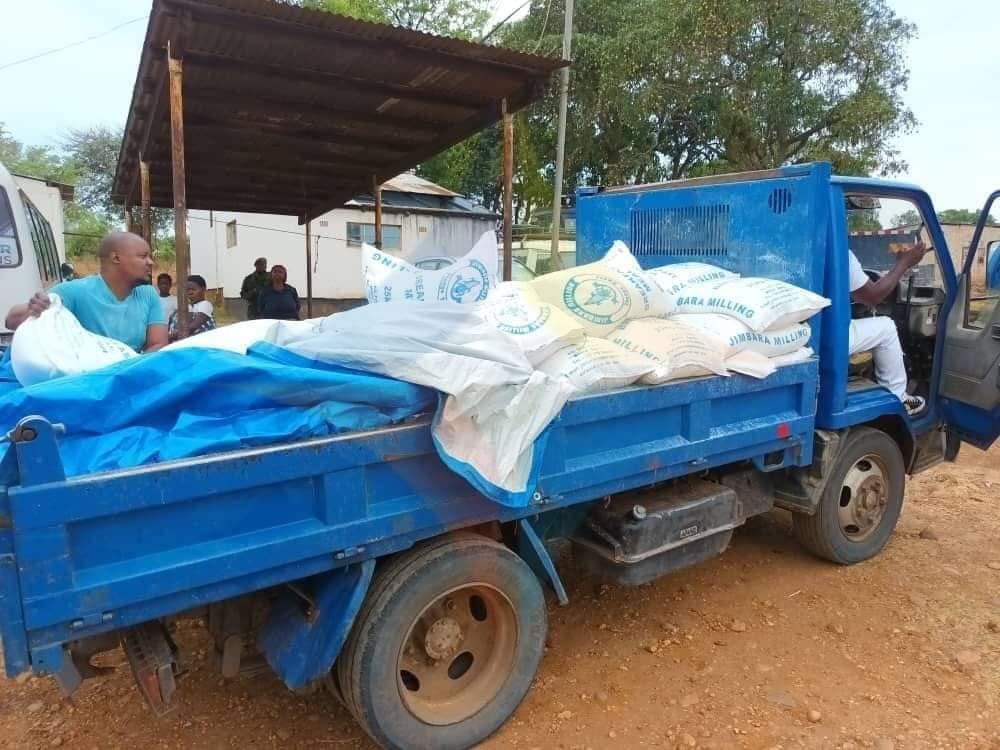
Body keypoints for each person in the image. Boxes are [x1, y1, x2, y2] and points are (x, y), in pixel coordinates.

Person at [5, 231, 167, 353]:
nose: (150, 262)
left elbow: (158, 344)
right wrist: (33, 309)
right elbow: (11, 321)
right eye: (143, 256)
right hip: (85, 379)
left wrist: (126, 373)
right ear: (116, 258)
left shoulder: (148, 294)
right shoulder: (75, 291)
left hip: (128, 375)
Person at [848, 243, 929, 415]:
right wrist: (904, 263)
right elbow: (873, 296)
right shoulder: (840, 252)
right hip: (827, 335)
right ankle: (899, 397)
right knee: (886, 327)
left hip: (805, 330)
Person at [168, 275, 216, 340]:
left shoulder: (205, 305)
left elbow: (192, 327)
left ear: (203, 289)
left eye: (193, 289)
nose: (190, 292)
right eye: (187, 290)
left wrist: (171, 336)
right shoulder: (187, 307)